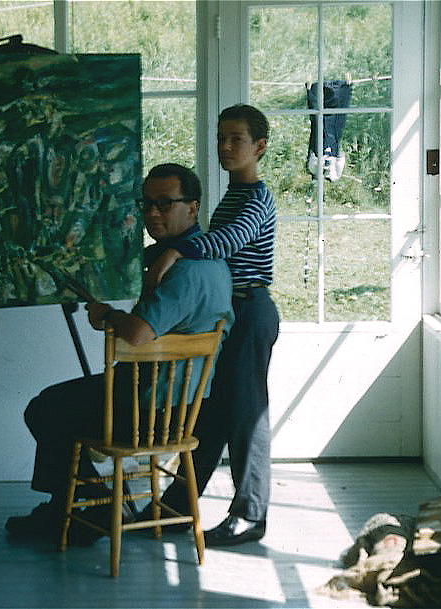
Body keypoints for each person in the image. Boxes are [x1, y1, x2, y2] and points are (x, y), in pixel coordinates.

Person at [5, 163, 234, 542]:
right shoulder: (204, 259)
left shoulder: (186, 271)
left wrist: (108, 315)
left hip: (154, 408)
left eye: (165, 204)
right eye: (146, 204)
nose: (152, 213)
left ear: (192, 207)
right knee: (57, 404)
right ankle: (79, 505)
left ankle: (82, 509)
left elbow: (140, 334)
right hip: (180, 400)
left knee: (46, 408)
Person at [142, 104, 280, 547]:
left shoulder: (256, 197)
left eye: (236, 139)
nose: (225, 147)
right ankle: (179, 509)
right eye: (221, 137)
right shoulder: (232, 194)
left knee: (246, 415)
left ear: (259, 147)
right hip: (232, 315)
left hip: (252, 310)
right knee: (209, 414)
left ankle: (250, 515)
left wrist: (175, 252)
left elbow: (226, 242)